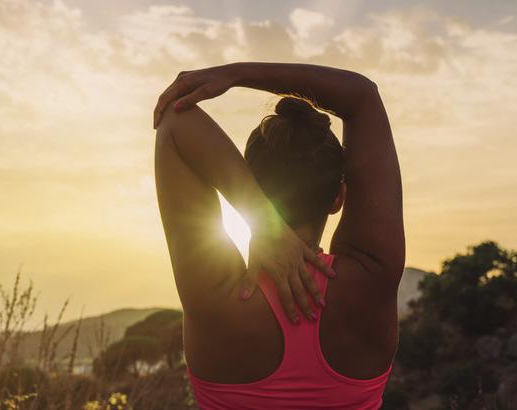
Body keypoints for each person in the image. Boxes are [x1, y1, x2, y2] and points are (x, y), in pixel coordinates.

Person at [153, 63, 404, 409]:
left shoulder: (217, 298)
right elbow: (363, 97)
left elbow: (175, 121)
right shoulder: (372, 277)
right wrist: (237, 75)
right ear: (338, 198)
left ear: (249, 184)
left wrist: (265, 221)